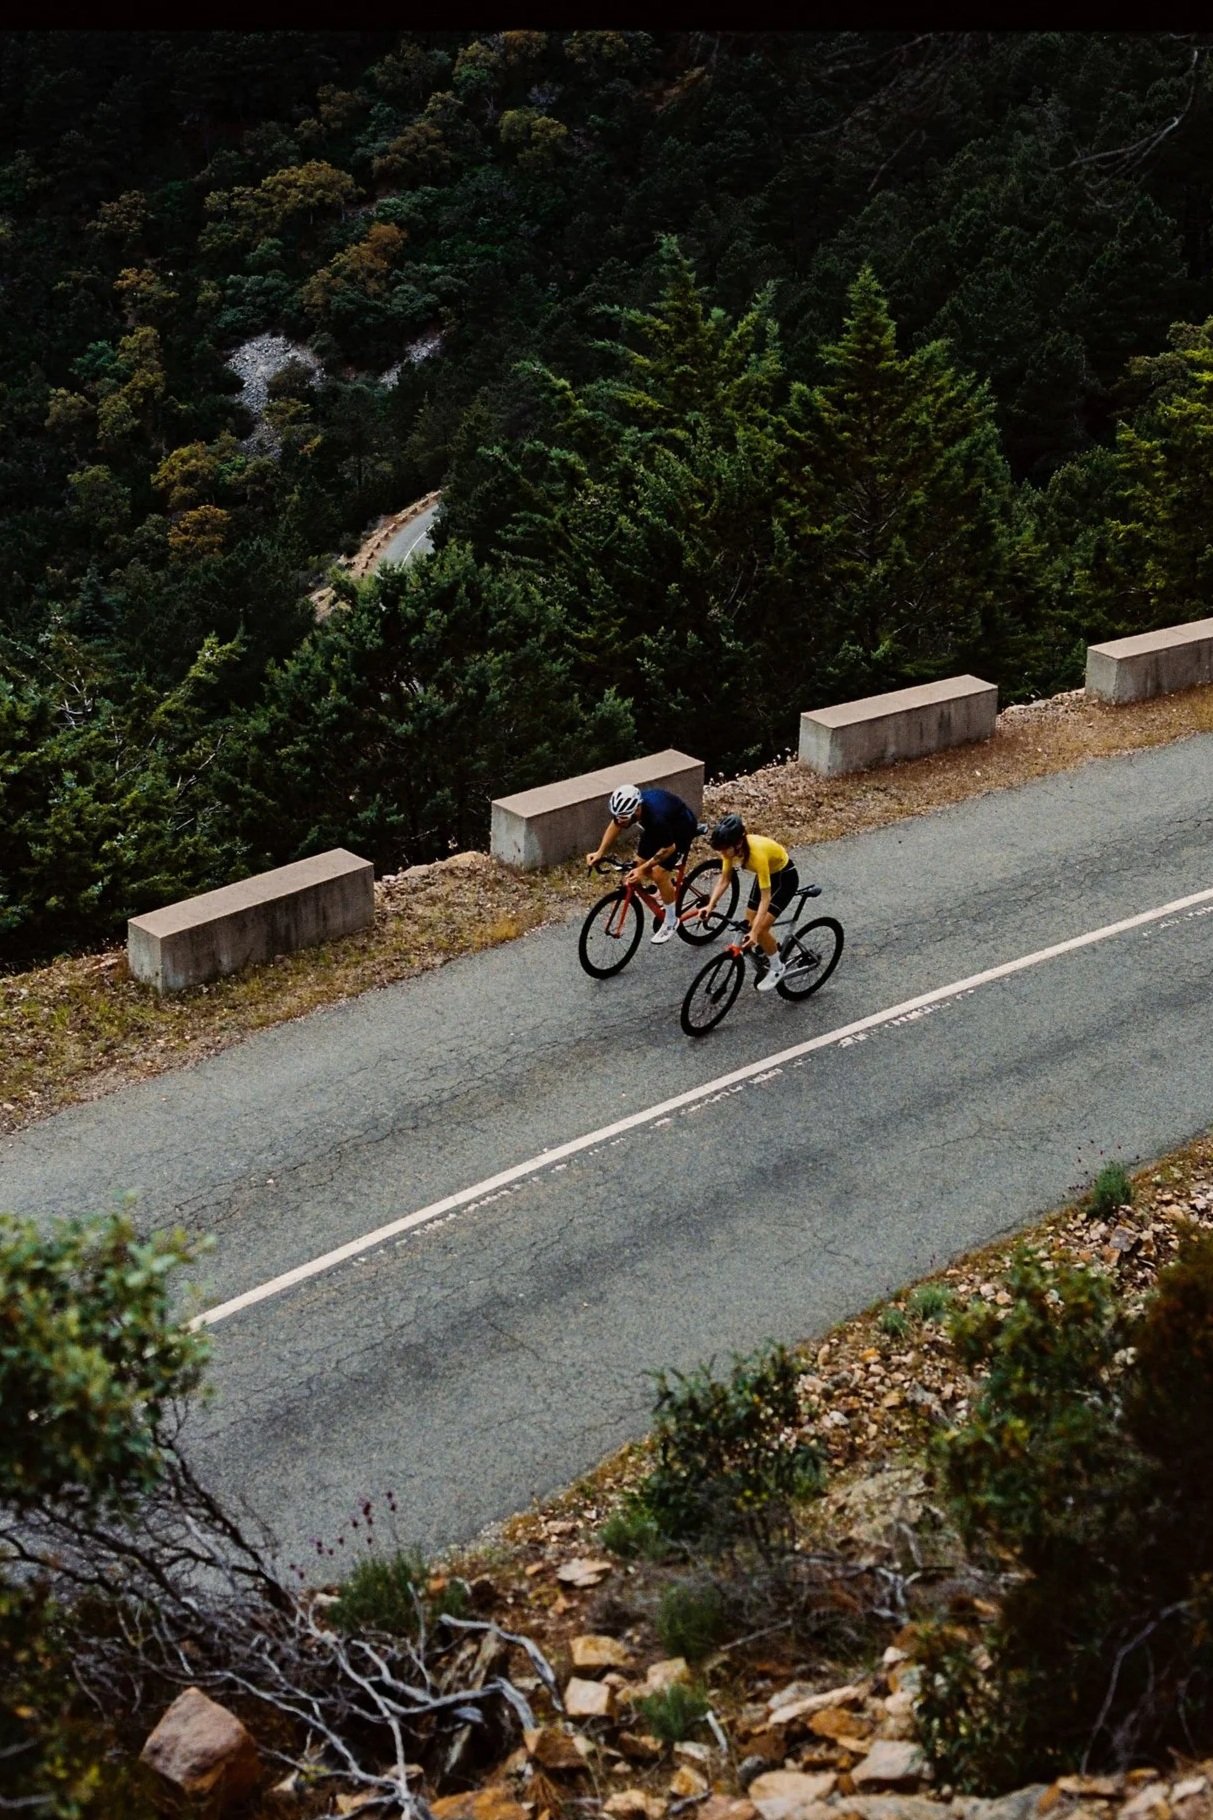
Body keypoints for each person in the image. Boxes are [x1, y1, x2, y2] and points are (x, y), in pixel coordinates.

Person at [691, 812, 799, 991]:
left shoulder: (757, 856)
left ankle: (777, 967)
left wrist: (756, 932)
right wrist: (710, 905)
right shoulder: (730, 850)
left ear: (738, 843)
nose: (723, 853)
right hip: (768, 875)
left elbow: (766, 899)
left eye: (725, 849)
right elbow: (725, 880)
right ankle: (772, 947)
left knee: (761, 928)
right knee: (749, 922)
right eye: (720, 849)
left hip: (784, 879)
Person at [586, 782, 700, 944]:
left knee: (659, 873)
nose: (621, 822)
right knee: (636, 864)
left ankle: (671, 920)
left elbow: (668, 849)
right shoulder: (631, 812)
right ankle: (664, 890)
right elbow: (615, 824)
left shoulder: (656, 817)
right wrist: (600, 852)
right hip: (656, 828)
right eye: (618, 816)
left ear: (637, 810)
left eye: (625, 818)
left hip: (680, 828)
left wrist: (643, 870)